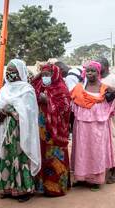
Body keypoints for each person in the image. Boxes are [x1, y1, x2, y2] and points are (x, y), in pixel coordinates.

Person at [0, 59, 40, 202]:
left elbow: (29, 113)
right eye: (8, 71)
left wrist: (10, 110)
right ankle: (6, 188)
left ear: (20, 72)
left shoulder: (27, 89)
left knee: (19, 159)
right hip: (3, 128)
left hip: (19, 132)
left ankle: (23, 190)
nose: (9, 73)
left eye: (13, 71)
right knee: (4, 157)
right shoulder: (4, 89)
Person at [70, 60, 115, 191]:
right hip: (81, 125)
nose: (90, 73)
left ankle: (96, 180)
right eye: (88, 71)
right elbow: (72, 103)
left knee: (96, 151)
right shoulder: (79, 87)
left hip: (98, 126)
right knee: (82, 150)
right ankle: (81, 178)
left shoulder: (105, 88)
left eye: (93, 71)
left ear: (98, 73)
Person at [30, 63, 71, 197]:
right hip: (42, 129)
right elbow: (30, 85)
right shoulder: (40, 86)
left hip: (56, 132)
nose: (45, 77)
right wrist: (39, 75)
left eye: (48, 75)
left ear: (55, 75)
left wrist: (48, 100)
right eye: (43, 75)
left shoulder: (61, 88)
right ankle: (43, 187)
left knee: (55, 157)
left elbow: (65, 109)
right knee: (42, 155)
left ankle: (57, 188)